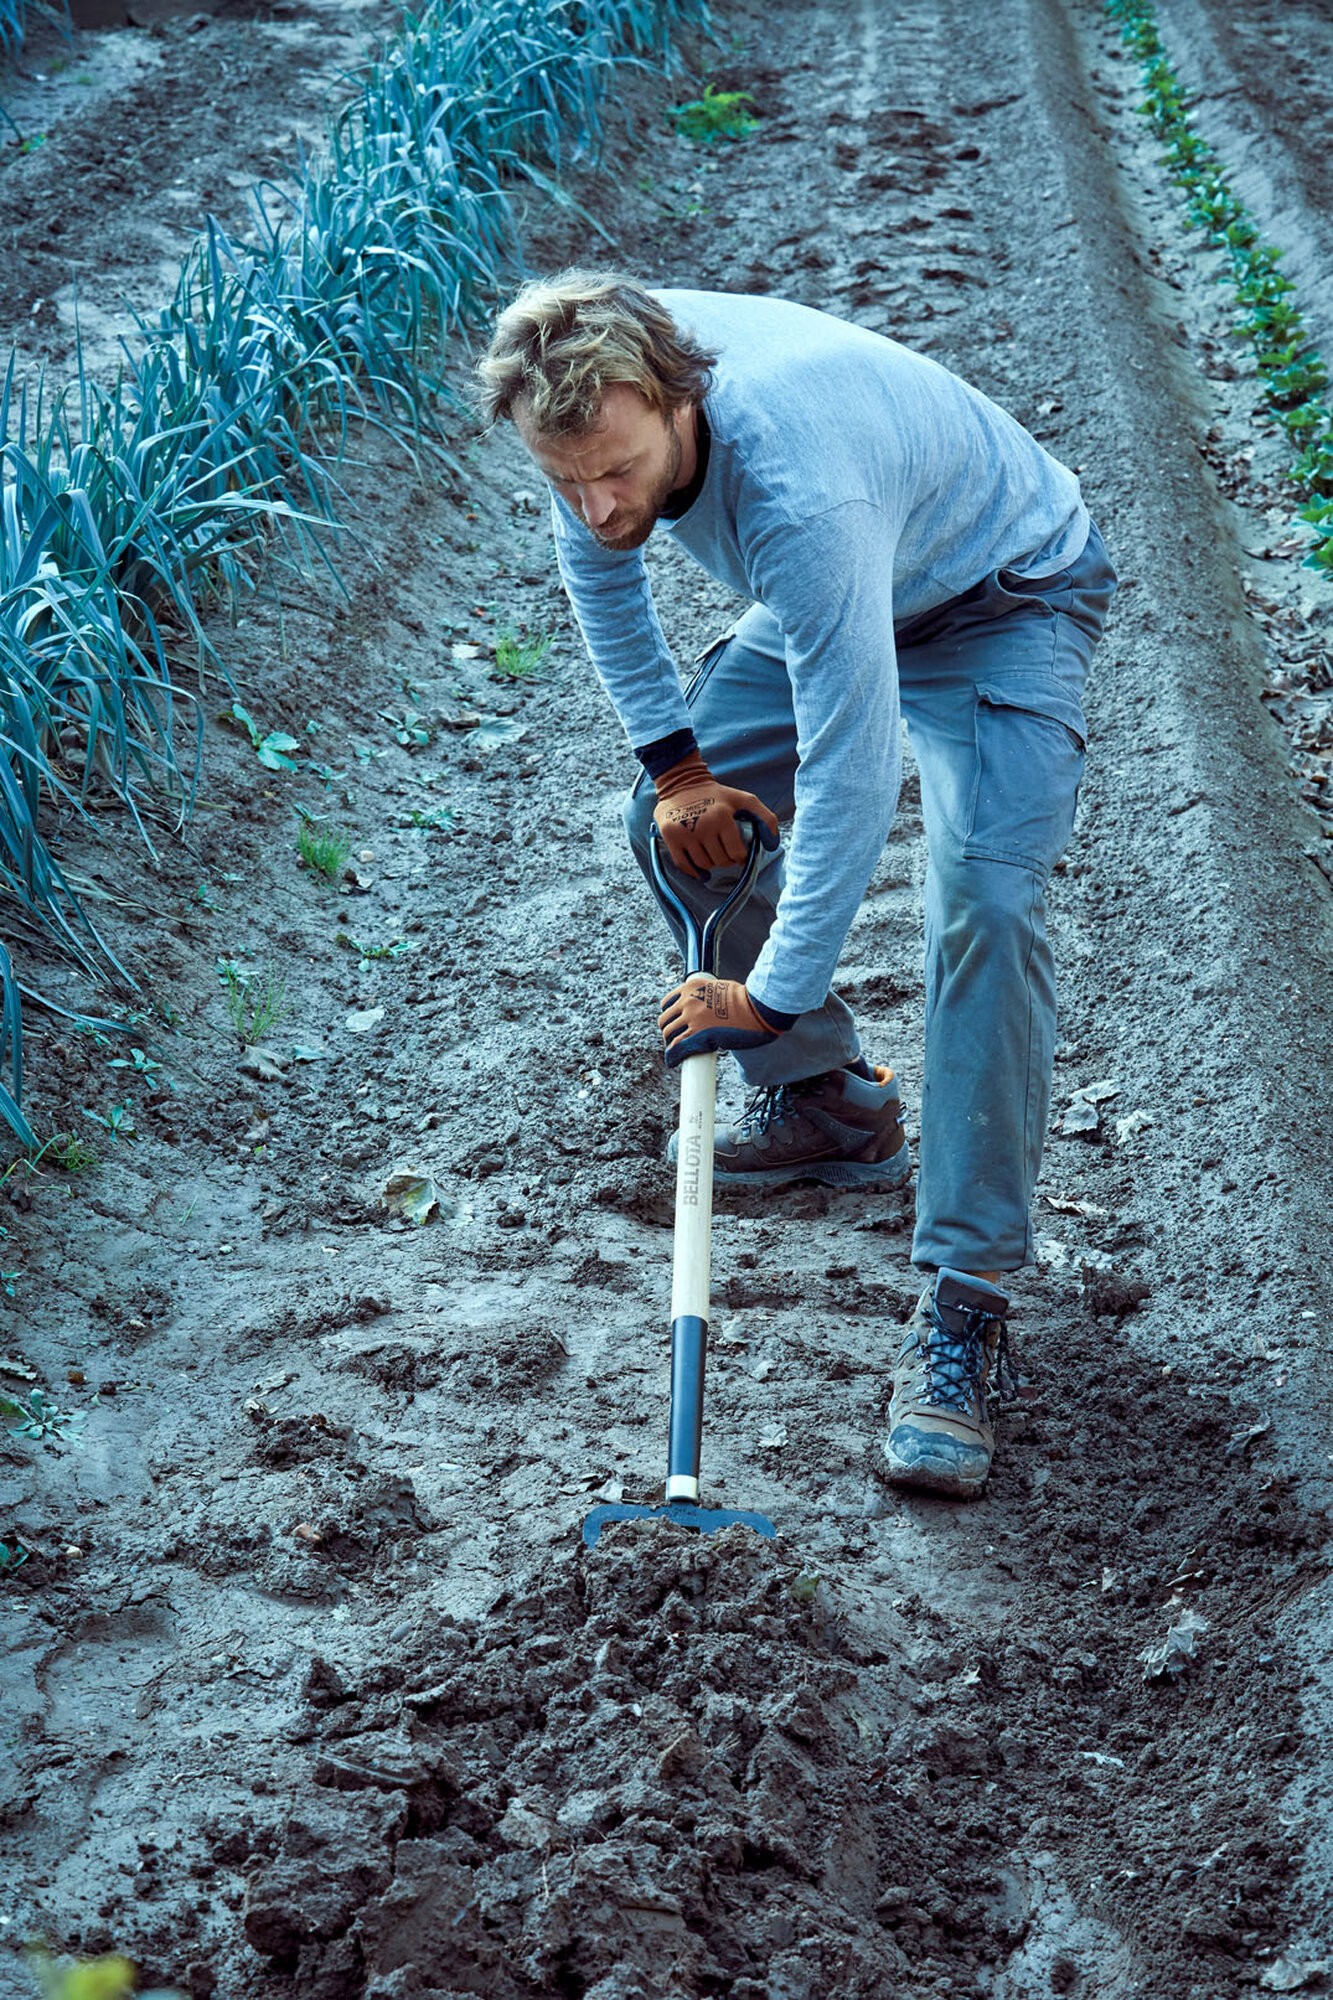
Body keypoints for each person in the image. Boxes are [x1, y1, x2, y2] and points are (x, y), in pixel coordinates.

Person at [475, 271, 1116, 1499]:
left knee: (983, 904)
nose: (599, 506)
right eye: (566, 481)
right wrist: (675, 768)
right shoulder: (579, 409)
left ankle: (968, 1302)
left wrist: (765, 992)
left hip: (1001, 595)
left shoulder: (795, 488)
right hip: (848, 592)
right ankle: (827, 1103)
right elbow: (602, 583)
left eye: (616, 471)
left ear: (678, 399)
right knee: (679, 831)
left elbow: (853, 769)